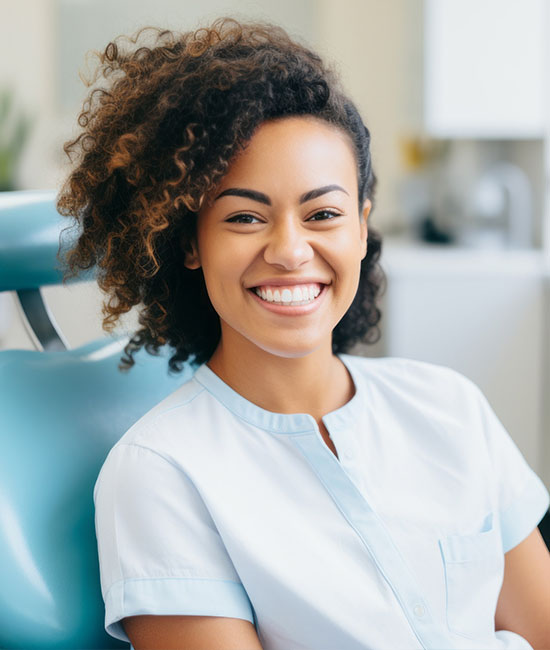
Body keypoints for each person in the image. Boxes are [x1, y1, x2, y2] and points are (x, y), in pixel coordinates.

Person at [56, 16, 550, 650]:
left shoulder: (451, 408)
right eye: (244, 216)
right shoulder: (161, 476)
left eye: (323, 213)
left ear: (362, 227)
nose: (291, 250)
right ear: (189, 243)